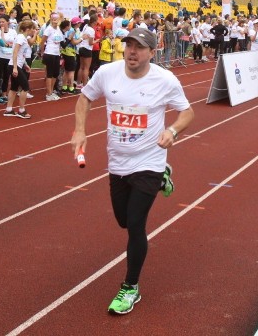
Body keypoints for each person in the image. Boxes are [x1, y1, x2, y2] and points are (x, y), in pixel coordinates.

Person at [70, 27, 194, 315]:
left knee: (136, 225)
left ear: (153, 52)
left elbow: (187, 112)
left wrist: (172, 131)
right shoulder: (107, 73)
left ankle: (130, 287)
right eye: (128, 45)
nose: (132, 52)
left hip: (149, 159)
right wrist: (79, 130)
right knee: (123, 220)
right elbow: (85, 98)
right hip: (118, 162)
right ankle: (165, 175)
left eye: (139, 47)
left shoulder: (165, 80)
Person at [3, 20, 35, 119]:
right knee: (25, 87)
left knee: (13, 87)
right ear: (28, 29)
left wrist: (25, 64)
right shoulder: (21, 37)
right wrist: (15, 68)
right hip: (14, 66)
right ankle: (21, 110)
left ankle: (9, 109)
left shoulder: (23, 38)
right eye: (33, 29)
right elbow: (15, 52)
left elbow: (21, 54)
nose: (34, 31)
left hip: (16, 65)